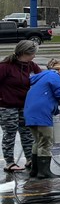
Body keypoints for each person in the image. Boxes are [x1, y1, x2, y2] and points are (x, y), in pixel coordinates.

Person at [24, 57, 60, 180]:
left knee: (37, 141)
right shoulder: (54, 76)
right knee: (46, 141)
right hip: (42, 113)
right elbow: (59, 92)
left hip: (30, 112)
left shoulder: (41, 76)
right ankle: (44, 172)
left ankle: (35, 170)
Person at [0, 41, 41, 172]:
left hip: (25, 106)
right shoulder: (5, 66)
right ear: (24, 53)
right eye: (33, 54)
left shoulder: (31, 66)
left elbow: (41, 78)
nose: (34, 56)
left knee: (27, 133)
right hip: (7, 106)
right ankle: (9, 162)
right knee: (10, 134)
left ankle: (30, 159)